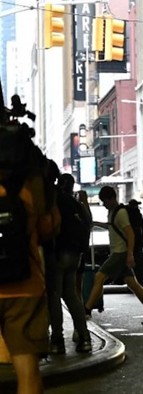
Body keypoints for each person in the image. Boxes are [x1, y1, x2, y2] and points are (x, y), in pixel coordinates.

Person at [0, 153, 59, 393]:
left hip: (25, 287)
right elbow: (49, 228)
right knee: (28, 371)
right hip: (24, 287)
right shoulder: (30, 180)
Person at [85, 186, 143, 325]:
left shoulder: (121, 213)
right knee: (132, 283)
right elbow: (111, 226)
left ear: (112, 199)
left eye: (105, 201)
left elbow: (130, 234)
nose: (104, 205)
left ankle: (86, 309)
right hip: (120, 252)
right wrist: (96, 224)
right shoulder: (112, 212)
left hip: (120, 253)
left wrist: (129, 254)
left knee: (99, 277)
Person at [47, 174, 92, 354]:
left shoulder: (53, 199)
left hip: (59, 253)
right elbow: (87, 222)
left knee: (54, 296)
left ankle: (57, 340)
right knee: (71, 295)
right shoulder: (74, 203)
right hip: (75, 254)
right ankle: (85, 338)